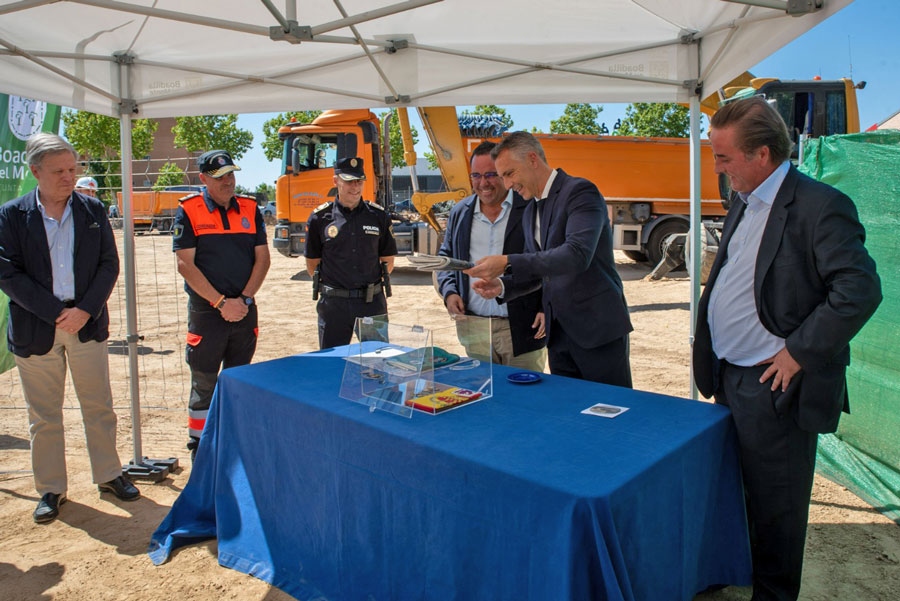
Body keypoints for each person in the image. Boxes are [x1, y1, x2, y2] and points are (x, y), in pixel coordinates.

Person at [693, 97, 882, 601]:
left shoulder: (819, 205)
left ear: (761, 154)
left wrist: (798, 352)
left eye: (723, 157)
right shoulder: (745, 199)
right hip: (730, 376)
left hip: (776, 384)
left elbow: (859, 289)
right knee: (735, 489)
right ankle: (735, 571)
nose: (717, 167)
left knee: (778, 508)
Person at [0, 133, 139, 524]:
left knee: (99, 406)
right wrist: (54, 312)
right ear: (35, 172)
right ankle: (51, 487)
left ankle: (109, 475)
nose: (68, 176)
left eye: (72, 168)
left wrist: (85, 310)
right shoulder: (11, 215)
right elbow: (7, 272)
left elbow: (108, 264)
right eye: (59, 170)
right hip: (36, 328)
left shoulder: (92, 210)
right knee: (43, 415)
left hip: (86, 325)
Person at [465, 131, 632, 386]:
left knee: (611, 412)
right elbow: (543, 269)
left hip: (596, 331)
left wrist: (508, 261)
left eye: (510, 173)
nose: (507, 185)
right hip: (558, 336)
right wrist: (503, 286)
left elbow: (576, 255)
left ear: (532, 159)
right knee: (569, 413)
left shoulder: (580, 191)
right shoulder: (531, 208)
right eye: (502, 177)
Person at [172, 150, 270, 460]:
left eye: (231, 174)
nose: (228, 181)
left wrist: (242, 300)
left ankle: (235, 437)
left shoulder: (251, 208)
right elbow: (185, 265)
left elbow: (263, 259)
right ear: (203, 179)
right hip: (207, 313)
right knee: (204, 380)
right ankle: (200, 444)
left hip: (243, 309)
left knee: (239, 378)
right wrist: (220, 303)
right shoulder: (189, 210)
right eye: (220, 177)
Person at [437, 141, 547, 371]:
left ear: (504, 174)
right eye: (475, 175)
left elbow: (547, 262)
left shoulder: (530, 208)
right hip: (474, 328)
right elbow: (446, 257)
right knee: (482, 399)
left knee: (523, 399)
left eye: (490, 174)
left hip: (521, 328)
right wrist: (449, 292)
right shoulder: (460, 211)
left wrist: (547, 307)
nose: (483, 183)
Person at [305, 157, 397, 349]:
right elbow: (312, 264)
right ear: (335, 181)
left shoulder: (378, 216)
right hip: (334, 306)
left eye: (359, 181)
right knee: (332, 365)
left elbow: (388, 261)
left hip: (371, 304)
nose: (355, 187)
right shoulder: (320, 218)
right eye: (349, 181)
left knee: (377, 362)